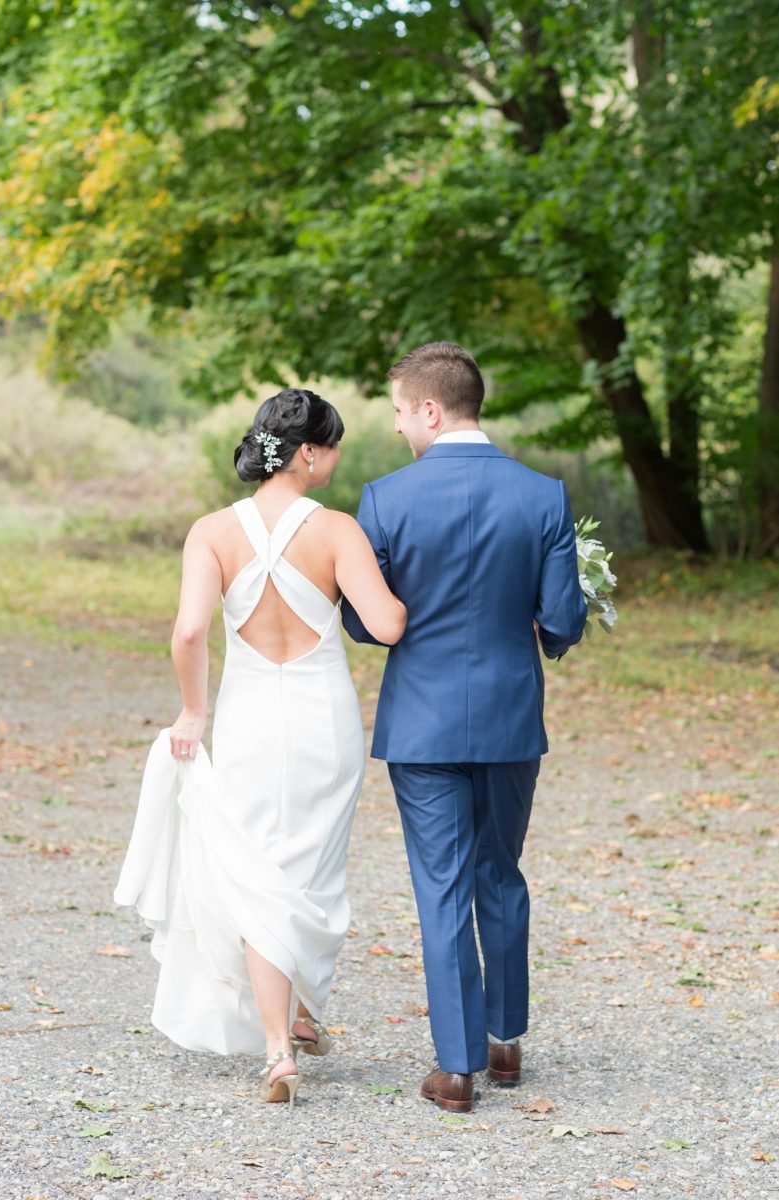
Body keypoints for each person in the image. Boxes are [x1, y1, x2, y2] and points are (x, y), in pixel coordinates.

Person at [115, 388, 406, 1108]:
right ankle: (292, 1028)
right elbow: (388, 624)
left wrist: (192, 710)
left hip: (247, 716)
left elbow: (187, 633)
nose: (336, 459)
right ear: (308, 453)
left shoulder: (211, 530)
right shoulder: (337, 531)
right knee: (310, 868)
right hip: (320, 718)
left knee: (255, 868)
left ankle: (284, 1040)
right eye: (332, 446)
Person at [341, 342, 587, 1113]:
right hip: (512, 718)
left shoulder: (385, 499)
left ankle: (455, 1069)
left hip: (421, 724)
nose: (396, 430)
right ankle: (504, 1040)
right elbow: (562, 619)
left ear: (430, 409)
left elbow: (364, 619)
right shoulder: (543, 496)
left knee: (440, 886)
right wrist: (541, 638)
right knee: (499, 873)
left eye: (398, 414)